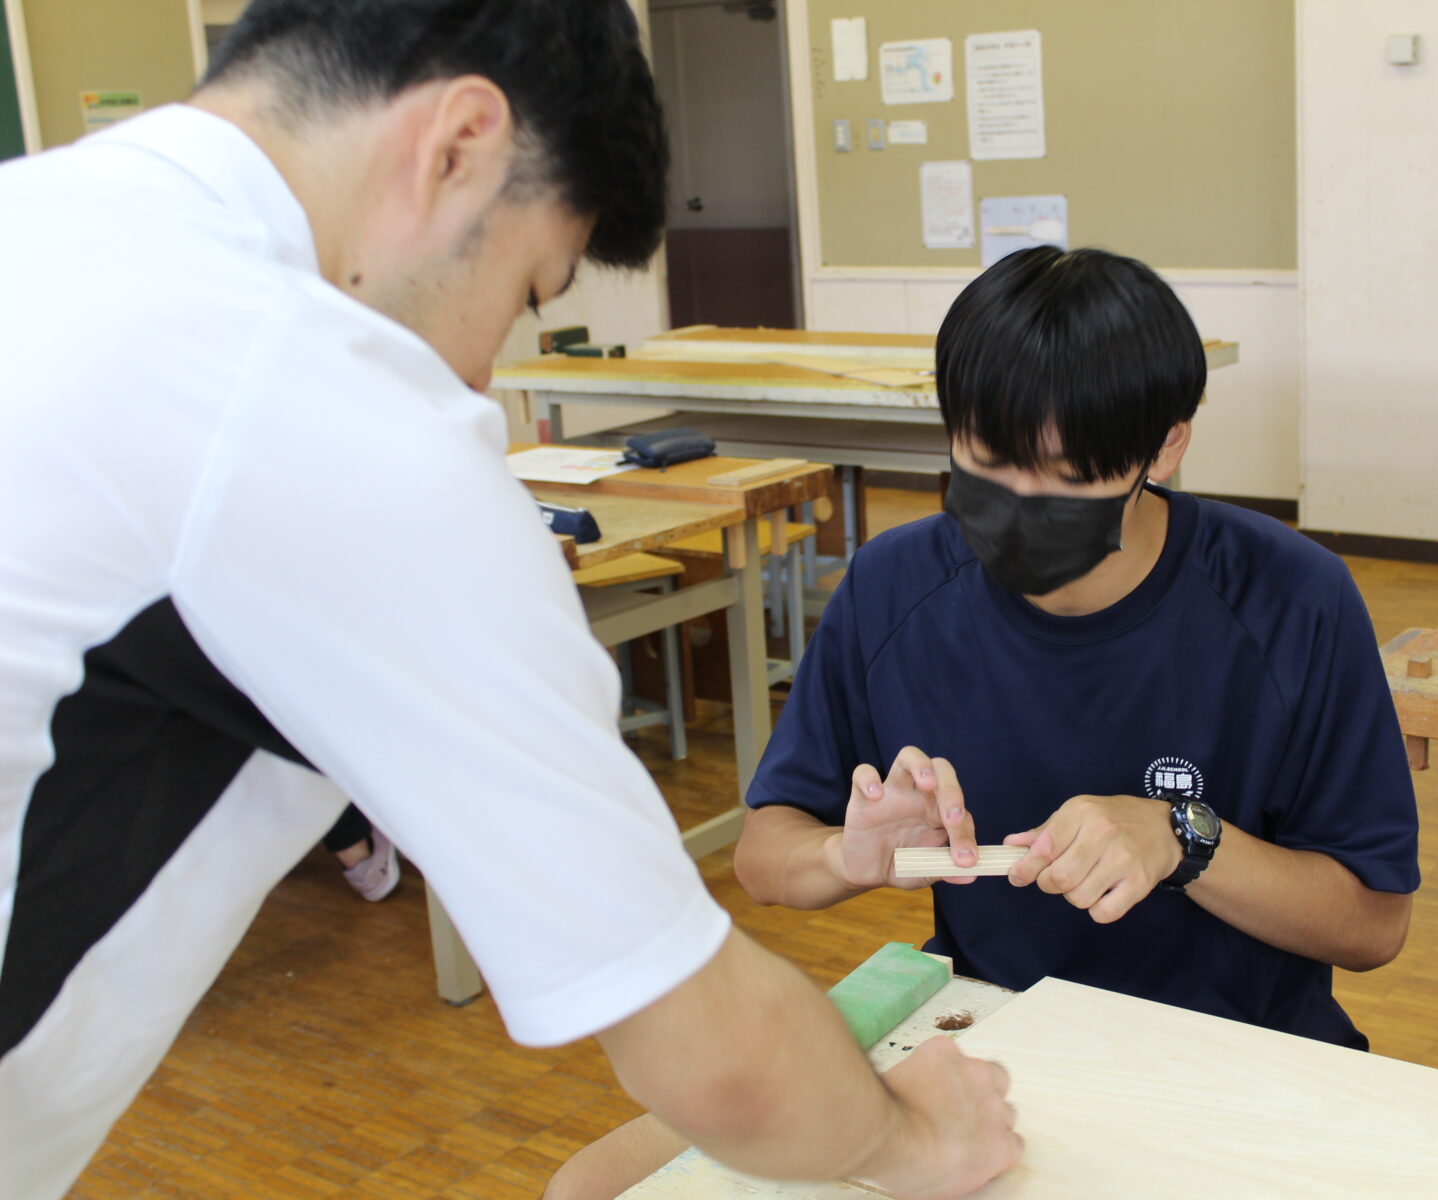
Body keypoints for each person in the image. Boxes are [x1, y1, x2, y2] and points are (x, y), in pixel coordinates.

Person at [0, 4, 1017, 1198]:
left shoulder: (46, 223)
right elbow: (703, 1047)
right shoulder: (316, 397)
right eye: (527, 284)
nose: (482, 374)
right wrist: (915, 1137)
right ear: (459, 144)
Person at [734, 246, 1420, 1048]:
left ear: (1163, 449)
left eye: (1064, 478)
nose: (1019, 509)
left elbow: (1374, 925)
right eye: (986, 465)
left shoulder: (1291, 598)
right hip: (993, 1032)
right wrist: (844, 859)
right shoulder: (895, 585)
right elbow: (760, 857)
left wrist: (1184, 840)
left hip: (1241, 1049)